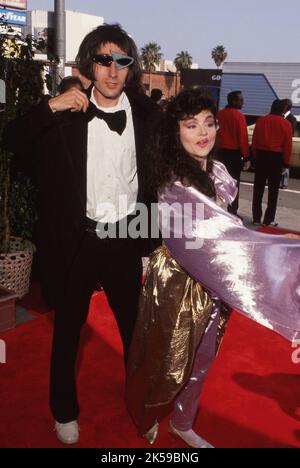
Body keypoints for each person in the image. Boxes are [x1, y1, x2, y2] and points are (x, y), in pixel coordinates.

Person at [4, 23, 158, 445]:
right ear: (90, 63)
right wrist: (48, 107)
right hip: (78, 240)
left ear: (131, 67)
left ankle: (142, 404)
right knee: (68, 330)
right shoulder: (65, 113)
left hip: (126, 237)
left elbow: (161, 176)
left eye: (122, 61)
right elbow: (11, 140)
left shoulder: (146, 114)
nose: (113, 70)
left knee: (135, 331)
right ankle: (64, 410)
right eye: (104, 60)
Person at [126, 89, 300, 449]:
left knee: (204, 357)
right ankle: (144, 413)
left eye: (208, 123)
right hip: (177, 281)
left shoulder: (219, 172)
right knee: (166, 359)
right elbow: (220, 239)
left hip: (217, 279)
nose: (203, 132)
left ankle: (183, 420)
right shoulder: (174, 183)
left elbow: (230, 234)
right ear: (176, 132)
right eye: (191, 125)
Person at [252, 99, 293, 227]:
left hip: (261, 156)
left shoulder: (261, 121)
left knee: (258, 189)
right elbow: (288, 145)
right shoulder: (286, 124)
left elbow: (255, 141)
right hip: (276, 158)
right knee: (273, 191)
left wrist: (254, 157)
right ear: (282, 109)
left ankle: (256, 218)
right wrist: (286, 163)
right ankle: (268, 220)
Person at [217, 90, 250, 218]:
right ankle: (232, 211)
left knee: (217, 181)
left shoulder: (219, 114)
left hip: (219, 153)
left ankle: (215, 209)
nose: (243, 102)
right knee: (234, 183)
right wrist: (246, 156)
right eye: (240, 100)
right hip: (233, 154)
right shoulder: (239, 116)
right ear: (233, 101)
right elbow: (243, 138)